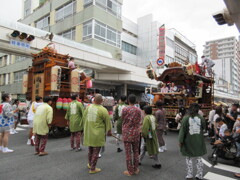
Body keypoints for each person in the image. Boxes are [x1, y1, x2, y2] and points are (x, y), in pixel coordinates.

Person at [83, 94, 111, 174]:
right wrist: (109, 131)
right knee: (96, 151)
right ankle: (92, 168)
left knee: (90, 149)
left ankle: (90, 164)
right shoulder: (103, 110)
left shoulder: (88, 107)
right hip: (97, 133)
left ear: (94, 100)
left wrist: (83, 129)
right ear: (102, 101)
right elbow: (107, 122)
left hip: (88, 131)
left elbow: (84, 118)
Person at [178, 103, 207, 180]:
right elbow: (204, 128)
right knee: (199, 157)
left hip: (188, 140)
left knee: (189, 158)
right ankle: (199, 174)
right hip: (199, 140)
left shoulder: (185, 118)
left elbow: (182, 131)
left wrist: (180, 141)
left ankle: (190, 175)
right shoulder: (201, 118)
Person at [121, 94, 141, 176]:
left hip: (127, 133)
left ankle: (130, 171)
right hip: (136, 132)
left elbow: (122, 118)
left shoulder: (125, 109)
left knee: (128, 152)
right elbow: (139, 120)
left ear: (128, 100)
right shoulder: (138, 110)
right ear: (135, 101)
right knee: (136, 151)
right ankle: (136, 169)